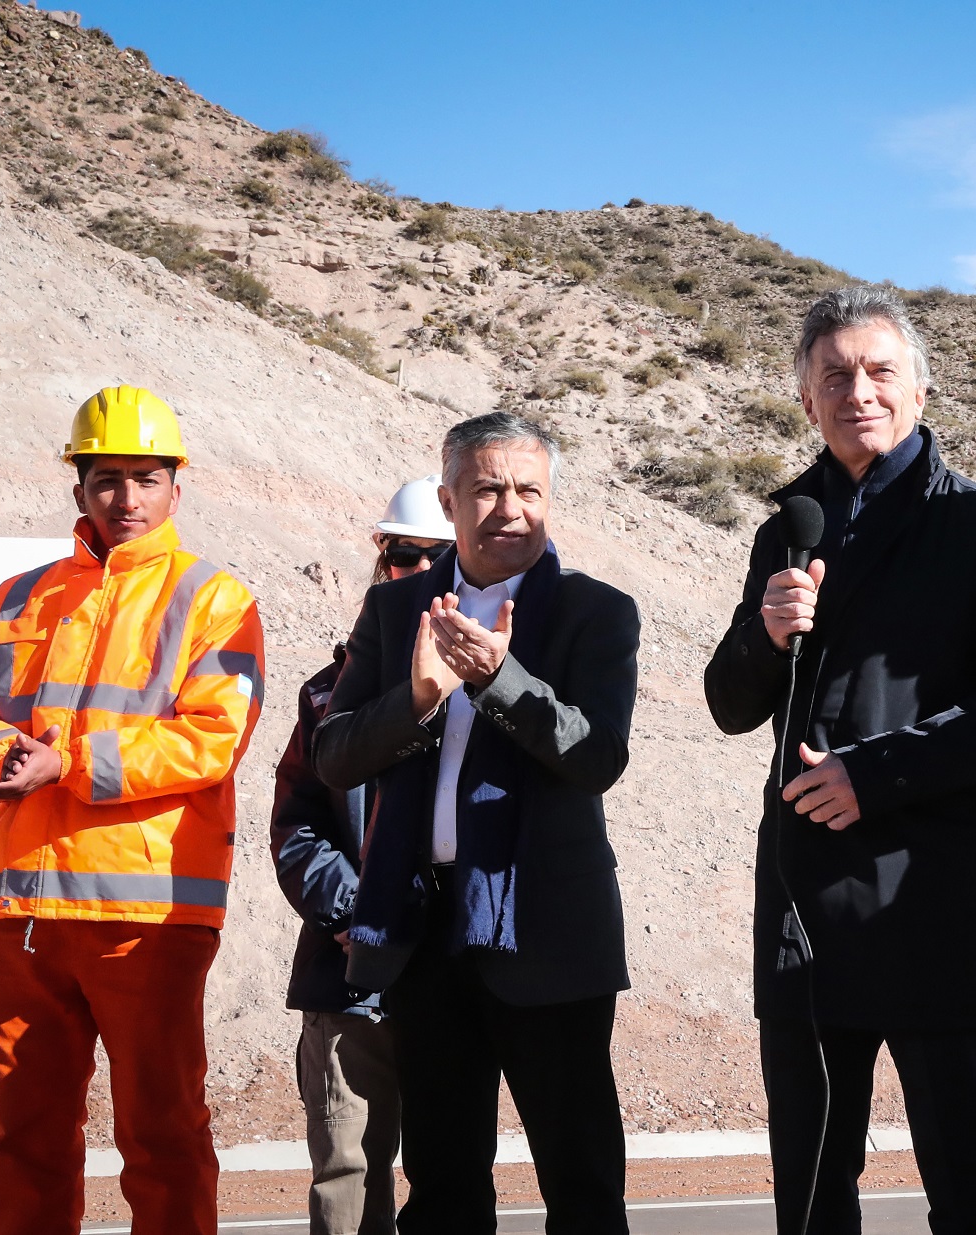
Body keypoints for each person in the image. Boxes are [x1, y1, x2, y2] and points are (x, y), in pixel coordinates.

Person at [704, 286, 976, 1235]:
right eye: (834, 376)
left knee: (963, 1170)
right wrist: (763, 636)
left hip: (930, 892)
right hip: (803, 905)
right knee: (814, 1185)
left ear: (919, 387)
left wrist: (877, 773)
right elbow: (730, 705)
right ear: (806, 400)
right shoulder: (785, 530)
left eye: (878, 371)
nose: (857, 390)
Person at [312, 414, 641, 1234]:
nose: (510, 507)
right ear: (449, 497)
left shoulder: (596, 613)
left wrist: (501, 679)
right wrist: (417, 697)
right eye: (488, 487)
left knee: (583, 1183)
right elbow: (334, 755)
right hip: (429, 939)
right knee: (446, 1187)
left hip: (552, 938)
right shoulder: (394, 612)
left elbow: (596, 755)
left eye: (529, 489)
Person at [0, 386, 266, 1235]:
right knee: (21, 1141)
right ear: (79, 490)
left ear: (177, 485)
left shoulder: (214, 599)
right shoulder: (14, 601)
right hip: (24, 913)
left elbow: (213, 736)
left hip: (149, 915)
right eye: (107, 479)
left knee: (162, 1137)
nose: (126, 499)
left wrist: (68, 764)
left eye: (145, 477)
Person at [270, 476, 456, 1235]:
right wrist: (357, 909)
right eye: (402, 555)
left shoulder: (497, 691)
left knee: (450, 1177)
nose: (414, 572)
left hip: (453, 977)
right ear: (381, 559)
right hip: (350, 984)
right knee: (349, 1181)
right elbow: (297, 826)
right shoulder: (326, 695)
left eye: (433, 557)